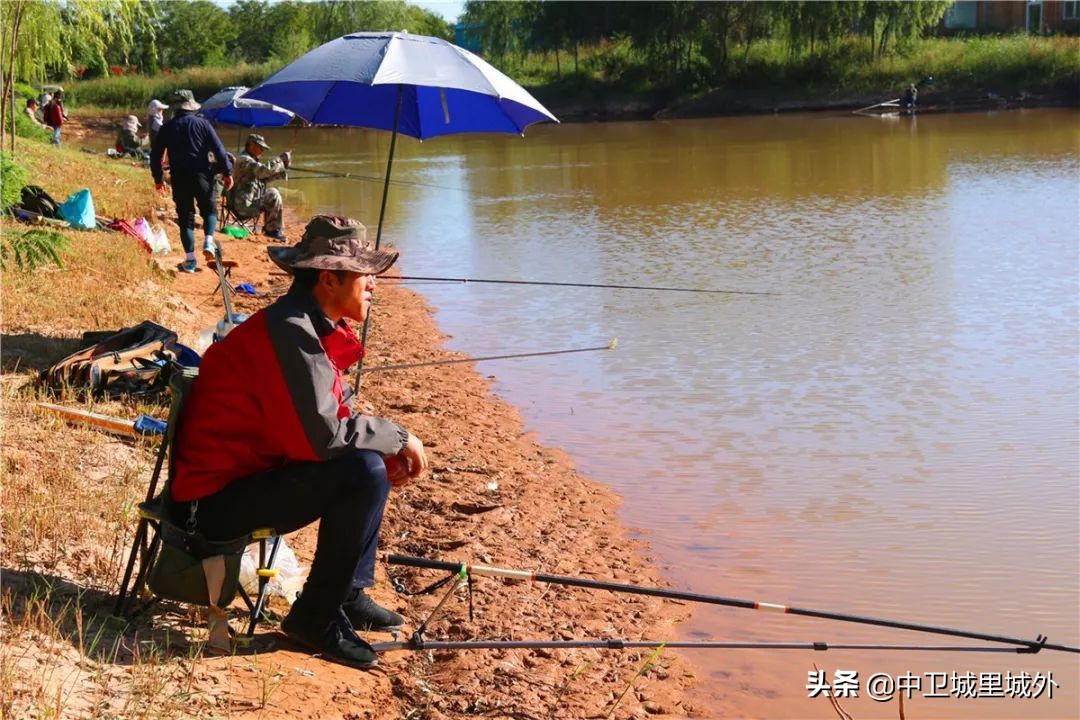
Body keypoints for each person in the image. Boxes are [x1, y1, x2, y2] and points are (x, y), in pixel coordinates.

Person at [169, 214, 428, 669]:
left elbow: (337, 416)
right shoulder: (290, 332)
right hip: (209, 507)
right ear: (329, 279)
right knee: (362, 468)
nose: (373, 285)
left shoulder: (305, 326)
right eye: (366, 275)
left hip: (247, 480)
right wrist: (398, 436)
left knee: (368, 460)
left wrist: (385, 444)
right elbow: (324, 441)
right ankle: (315, 616)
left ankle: (347, 594)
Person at [150, 89, 233, 273]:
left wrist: (158, 178)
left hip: (179, 178)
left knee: (186, 218)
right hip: (203, 176)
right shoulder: (203, 124)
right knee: (209, 209)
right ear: (191, 106)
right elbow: (219, 150)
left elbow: (155, 156)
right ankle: (209, 242)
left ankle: (190, 261)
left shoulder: (167, 127)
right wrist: (227, 172)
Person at [229, 133, 291, 241]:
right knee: (273, 194)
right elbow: (263, 171)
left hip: (249, 202)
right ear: (251, 145)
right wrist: (280, 159)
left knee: (272, 192)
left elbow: (262, 179)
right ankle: (272, 230)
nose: (263, 151)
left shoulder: (250, 160)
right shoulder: (244, 160)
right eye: (261, 147)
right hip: (243, 206)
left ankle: (271, 228)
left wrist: (281, 171)